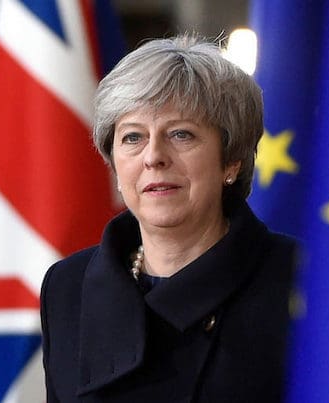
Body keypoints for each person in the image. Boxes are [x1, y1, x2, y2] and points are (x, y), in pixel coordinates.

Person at [39, 34, 298, 402]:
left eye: (180, 134)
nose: (154, 157)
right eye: (132, 138)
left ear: (231, 161)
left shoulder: (299, 279)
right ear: (114, 163)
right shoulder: (68, 287)